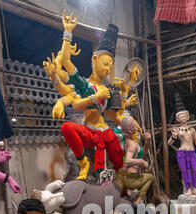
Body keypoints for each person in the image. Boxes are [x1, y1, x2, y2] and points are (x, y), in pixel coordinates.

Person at [44, 13, 137, 180]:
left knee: (118, 163)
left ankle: (122, 191)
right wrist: (68, 33)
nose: (108, 69)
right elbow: (65, 62)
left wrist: (129, 122)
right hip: (89, 131)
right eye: (105, 63)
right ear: (95, 60)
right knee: (67, 128)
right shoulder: (84, 84)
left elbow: (115, 114)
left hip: (106, 132)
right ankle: (83, 163)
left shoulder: (109, 89)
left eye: (111, 66)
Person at [168, 107, 196, 197]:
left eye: (185, 116)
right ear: (178, 119)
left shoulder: (192, 130)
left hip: (191, 152)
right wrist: (174, 137)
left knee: (195, 170)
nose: (183, 118)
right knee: (185, 171)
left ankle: (195, 189)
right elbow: (169, 143)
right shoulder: (177, 130)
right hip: (182, 152)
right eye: (181, 116)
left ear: (188, 117)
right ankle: (188, 190)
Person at [115, 116, 154, 203]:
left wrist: (147, 142)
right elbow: (128, 160)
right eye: (134, 124)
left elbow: (141, 154)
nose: (136, 125)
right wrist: (141, 162)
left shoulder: (129, 141)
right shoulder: (132, 144)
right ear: (130, 130)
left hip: (128, 175)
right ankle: (138, 200)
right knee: (150, 177)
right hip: (130, 177)